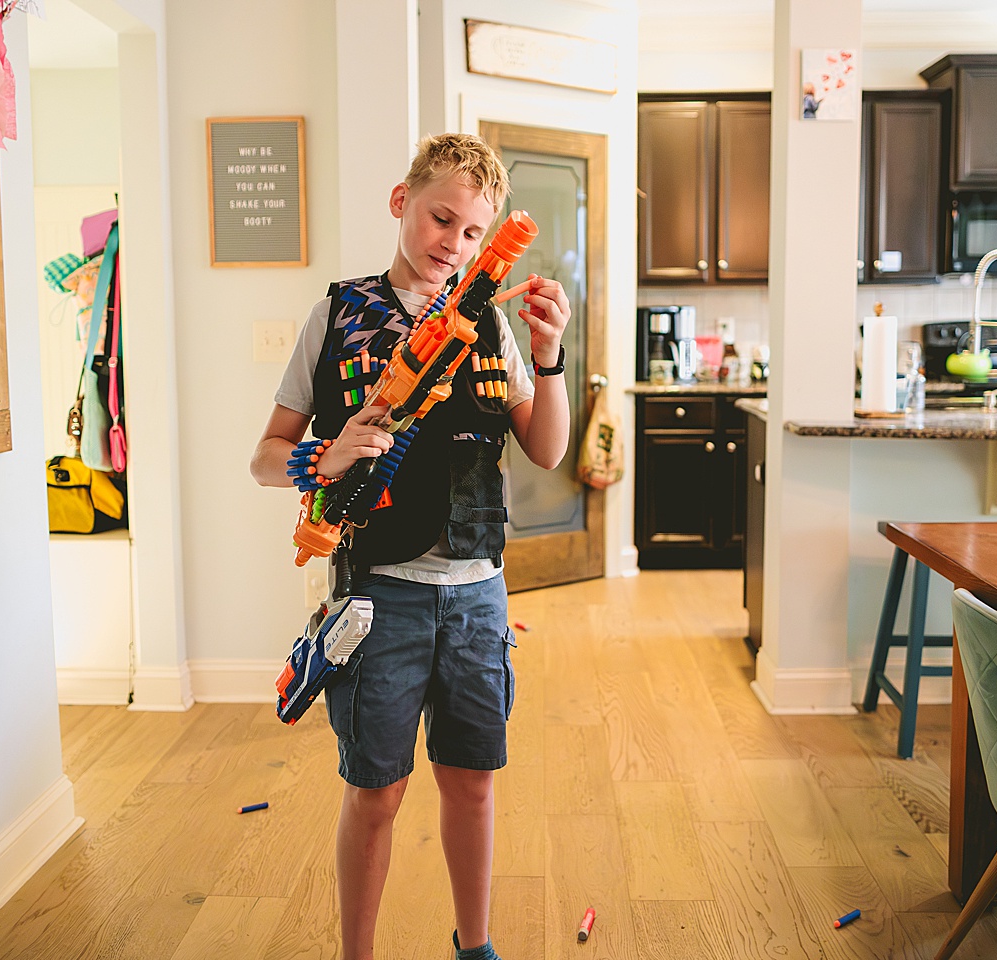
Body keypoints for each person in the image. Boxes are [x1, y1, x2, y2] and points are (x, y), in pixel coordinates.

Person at [250, 132, 571, 960]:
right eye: (441, 219)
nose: (453, 244)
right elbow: (264, 455)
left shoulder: (493, 327)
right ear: (402, 202)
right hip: (377, 590)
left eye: (473, 233)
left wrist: (549, 356)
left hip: (477, 591)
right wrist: (324, 456)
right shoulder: (337, 314)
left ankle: (475, 946)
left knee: (471, 782)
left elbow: (548, 450)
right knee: (377, 792)